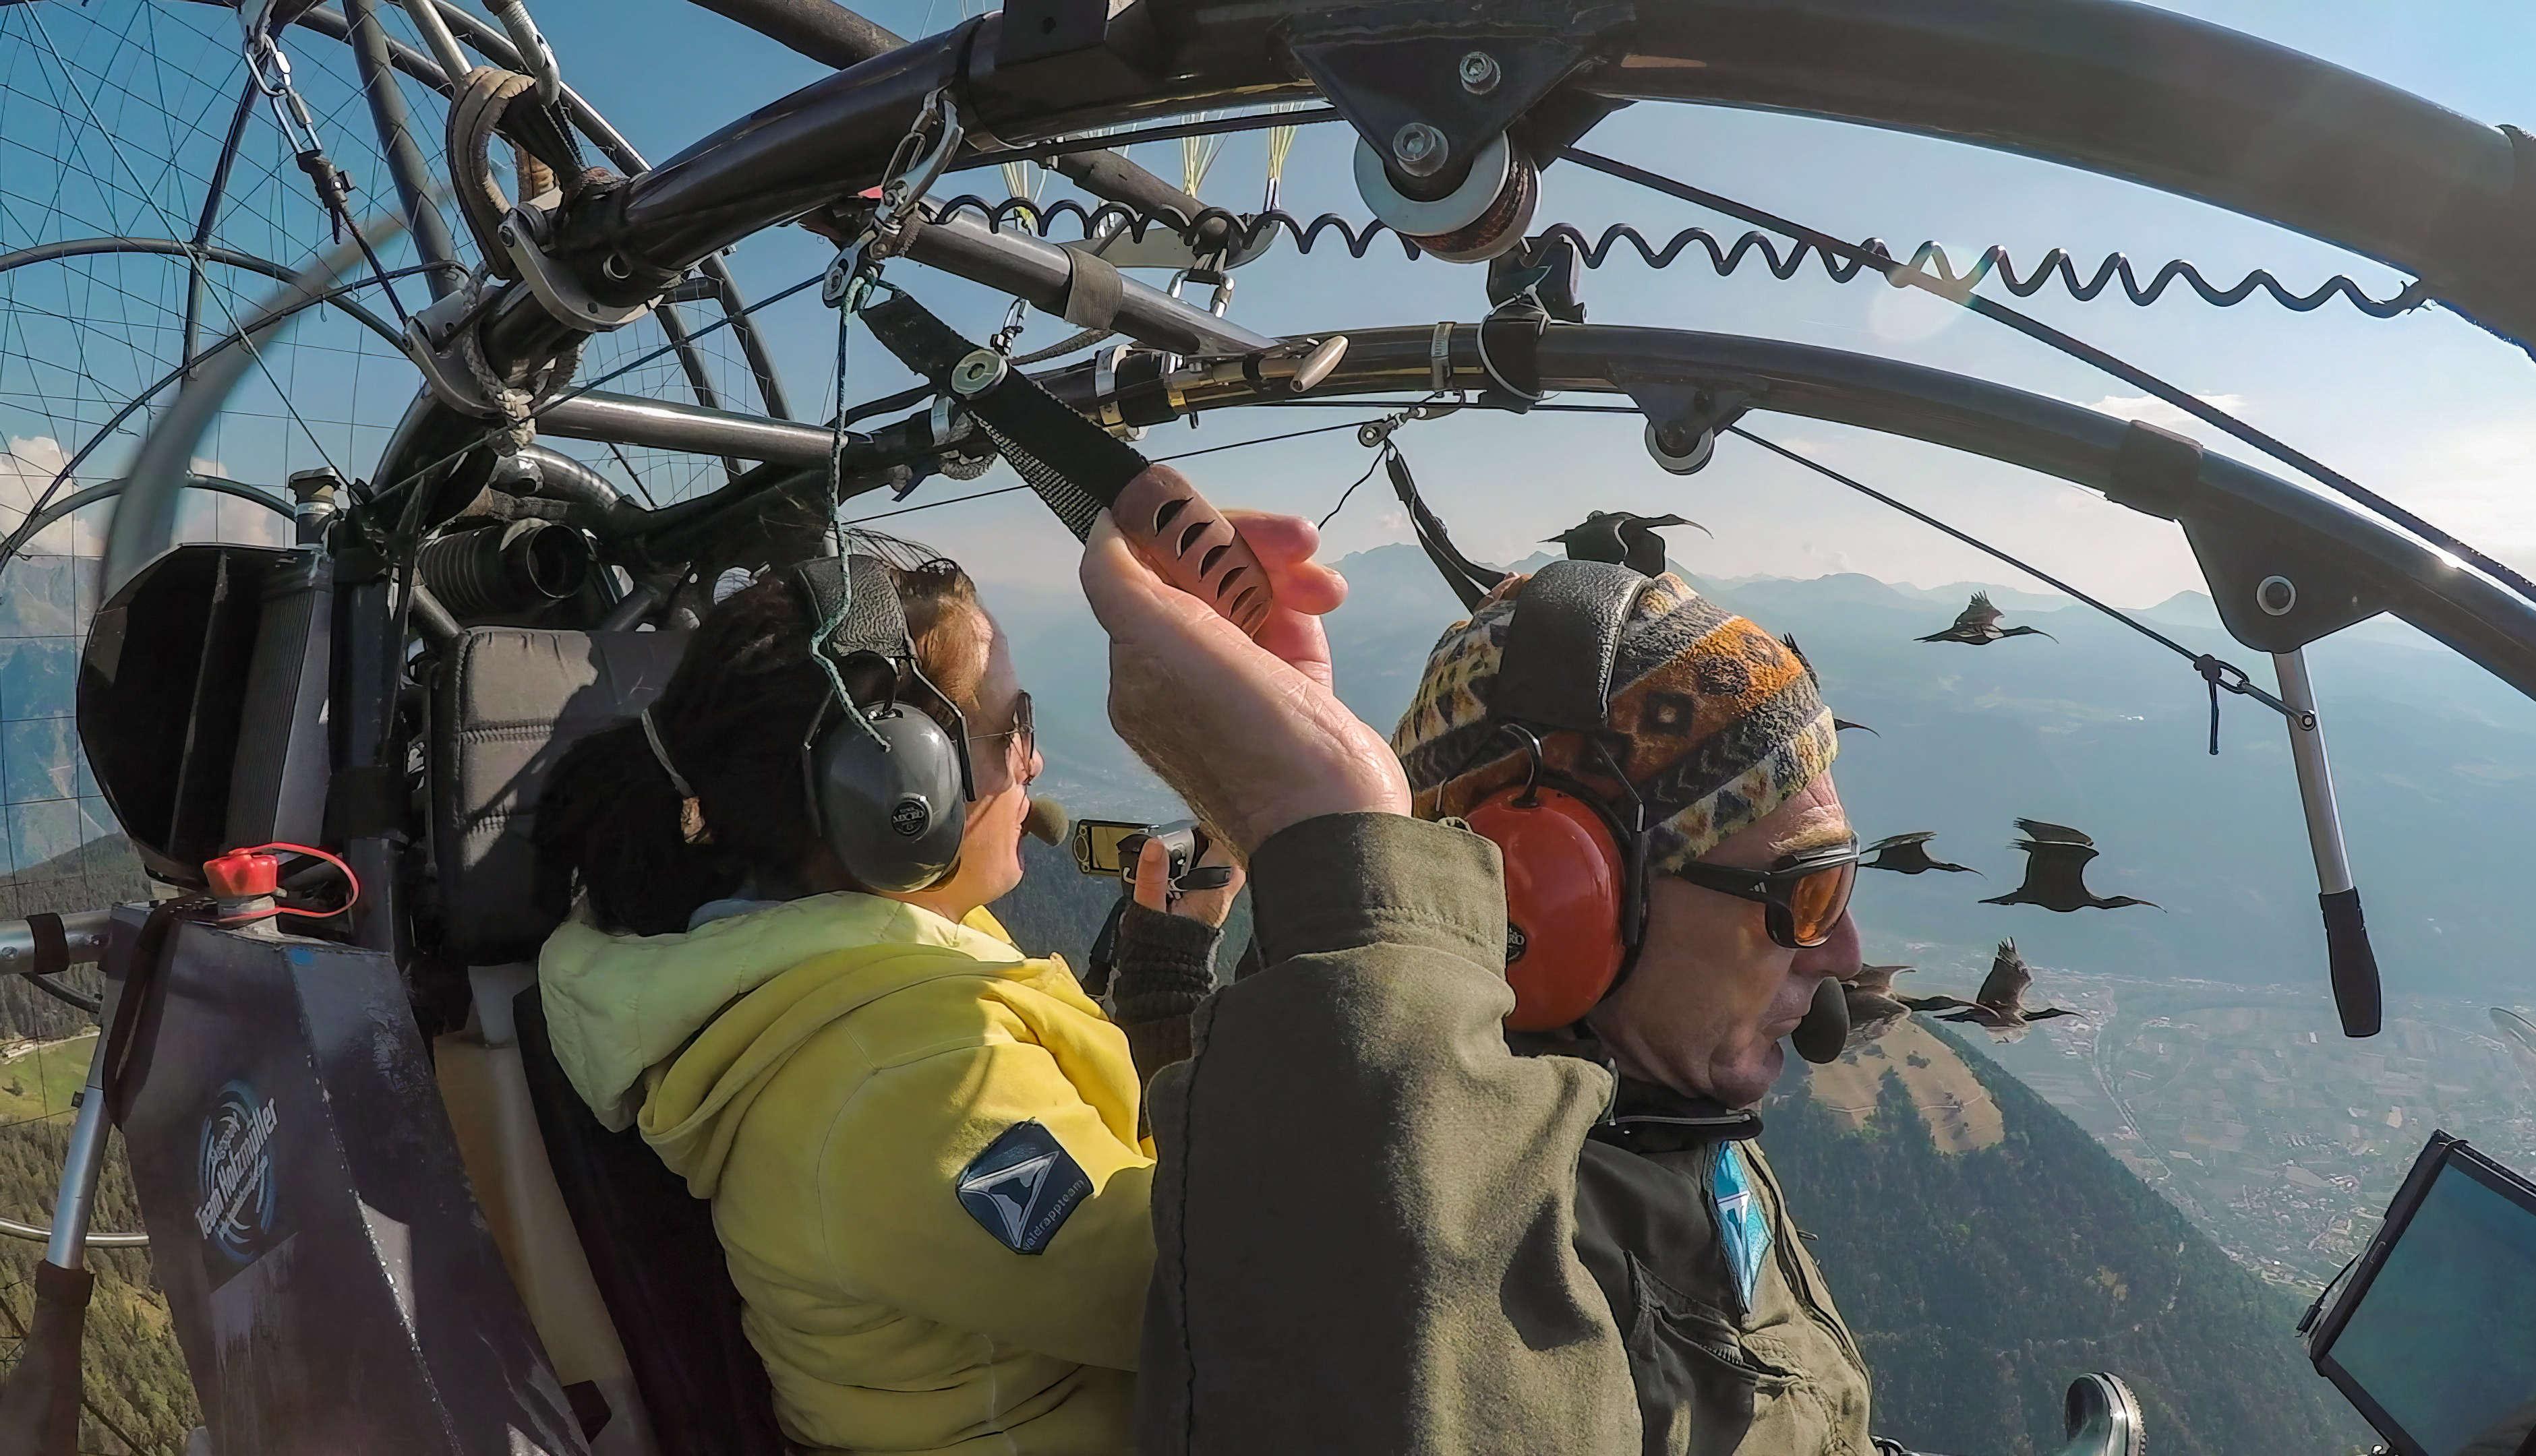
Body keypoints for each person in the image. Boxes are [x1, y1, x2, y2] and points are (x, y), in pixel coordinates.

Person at [1079, 471, 1875, 1455]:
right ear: (1556, 895)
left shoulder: (1676, 1111)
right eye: (1807, 893)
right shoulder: (1401, 1227)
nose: (1845, 954)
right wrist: (1310, 827)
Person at [528, 535, 1236, 1455]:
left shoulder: (859, 961)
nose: (1035, 761)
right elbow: (1226, 1304)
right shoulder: (902, 1080)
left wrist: (1165, 973)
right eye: (1012, 724)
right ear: (902, 796)